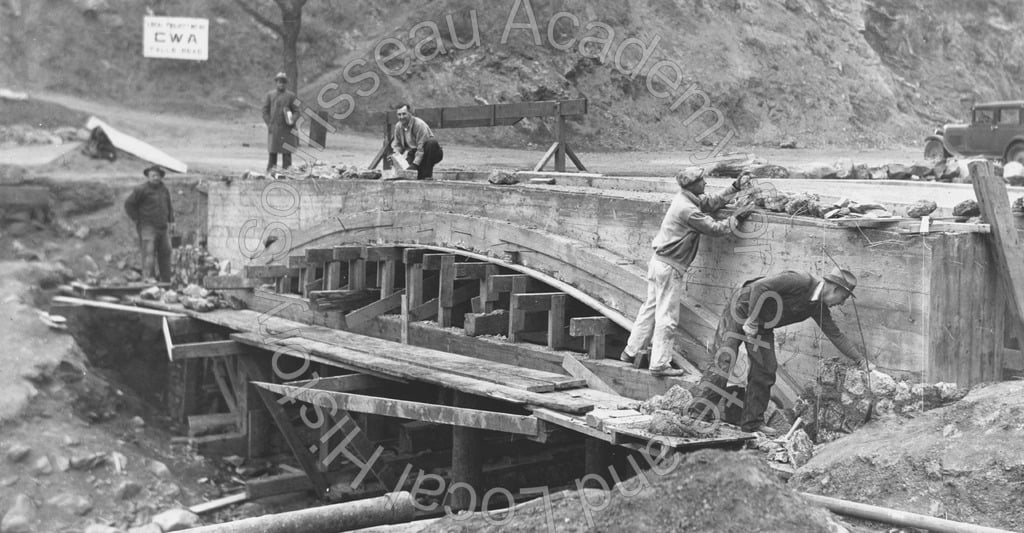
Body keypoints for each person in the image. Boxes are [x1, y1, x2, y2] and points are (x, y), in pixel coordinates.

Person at [703, 268, 870, 435]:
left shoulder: (818, 307)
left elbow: (836, 335)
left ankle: (752, 424)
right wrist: (752, 321)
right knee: (725, 358)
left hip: (763, 324)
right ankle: (698, 414)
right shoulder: (800, 281)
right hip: (741, 307)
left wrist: (860, 360)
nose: (841, 303)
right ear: (835, 289)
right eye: (844, 298)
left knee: (766, 369)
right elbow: (760, 287)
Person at [620, 167, 753, 377]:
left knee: (650, 308)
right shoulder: (687, 209)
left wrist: (734, 187)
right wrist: (737, 217)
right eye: (702, 181)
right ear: (693, 184)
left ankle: (631, 350)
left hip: (658, 262)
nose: (706, 183)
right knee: (667, 316)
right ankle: (660, 364)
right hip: (670, 267)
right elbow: (716, 229)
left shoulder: (686, 197)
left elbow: (709, 203)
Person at [124, 165, 174, 283]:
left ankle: (166, 280)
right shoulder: (141, 190)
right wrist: (137, 219)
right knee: (149, 253)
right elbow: (129, 204)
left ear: (161, 177)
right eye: (153, 175)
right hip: (148, 227)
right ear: (148, 176)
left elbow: (169, 206)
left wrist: (172, 221)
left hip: (163, 227)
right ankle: (148, 280)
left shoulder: (164, 189)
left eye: (158, 175)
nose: (156, 178)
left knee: (166, 252)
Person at [391, 103, 444, 179]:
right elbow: (398, 145)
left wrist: (415, 164)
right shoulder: (398, 127)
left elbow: (421, 147)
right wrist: (395, 156)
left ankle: (427, 176)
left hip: (430, 151)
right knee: (406, 172)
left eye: (404, 114)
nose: (401, 117)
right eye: (399, 115)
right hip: (414, 152)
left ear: (410, 114)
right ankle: (419, 172)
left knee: (431, 143)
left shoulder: (419, 125)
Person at [262, 72, 300, 173]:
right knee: (272, 153)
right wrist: (269, 123)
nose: (281, 84)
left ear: (286, 84)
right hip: (274, 129)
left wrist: (292, 119)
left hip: (287, 129)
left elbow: (297, 111)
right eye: (279, 82)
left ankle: (287, 174)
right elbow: (265, 111)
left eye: (283, 82)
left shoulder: (292, 96)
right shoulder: (270, 95)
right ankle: (270, 173)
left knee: (287, 154)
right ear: (276, 83)